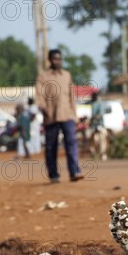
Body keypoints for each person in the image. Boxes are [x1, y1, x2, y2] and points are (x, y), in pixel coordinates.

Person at [35, 48, 84, 182]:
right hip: (51, 117)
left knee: (71, 142)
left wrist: (75, 116)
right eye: (54, 58)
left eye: (59, 59)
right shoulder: (43, 77)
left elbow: (72, 97)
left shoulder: (66, 75)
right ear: (50, 60)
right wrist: (44, 108)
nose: (57, 61)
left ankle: (74, 172)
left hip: (67, 115)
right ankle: (54, 175)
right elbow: (39, 96)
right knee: (51, 146)